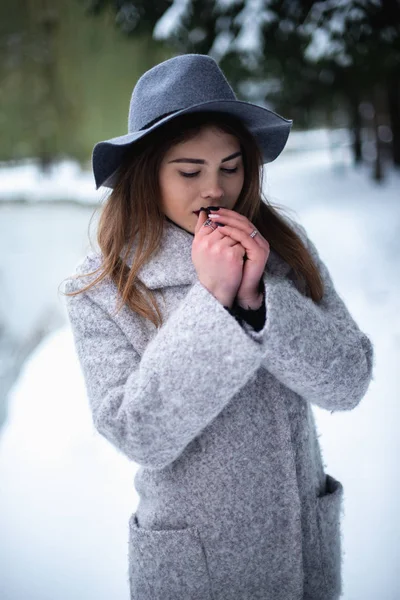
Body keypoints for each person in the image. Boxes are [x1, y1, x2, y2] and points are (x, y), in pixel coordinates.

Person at [63, 54, 374, 600]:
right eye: (189, 172)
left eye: (231, 167)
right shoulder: (101, 287)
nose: (215, 189)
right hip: (196, 570)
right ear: (146, 172)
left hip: (305, 559)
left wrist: (258, 301)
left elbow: (348, 382)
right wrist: (215, 302)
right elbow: (139, 433)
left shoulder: (283, 250)